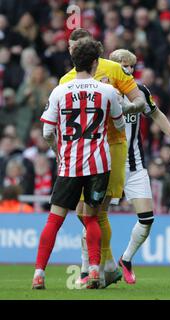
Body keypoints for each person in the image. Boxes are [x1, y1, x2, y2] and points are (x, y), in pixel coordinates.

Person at [32, 39, 125, 289]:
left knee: (54, 220)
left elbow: (47, 133)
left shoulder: (60, 90)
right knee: (92, 218)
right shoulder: (107, 92)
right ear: (95, 63)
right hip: (98, 164)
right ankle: (94, 271)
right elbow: (119, 125)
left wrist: (59, 151)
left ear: (74, 62)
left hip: (70, 165)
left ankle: (39, 274)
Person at [59, 28, 146, 288]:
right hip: (82, 151)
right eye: (70, 47)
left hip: (112, 147)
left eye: (77, 47)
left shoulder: (113, 69)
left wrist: (126, 107)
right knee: (82, 212)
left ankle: (93, 269)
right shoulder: (65, 80)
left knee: (97, 211)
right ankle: (104, 266)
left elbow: (139, 98)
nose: (73, 51)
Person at [104, 49, 170, 284]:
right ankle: (90, 269)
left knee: (147, 219)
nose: (129, 71)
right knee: (94, 218)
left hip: (134, 164)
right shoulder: (100, 91)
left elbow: (157, 114)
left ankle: (125, 259)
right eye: (124, 66)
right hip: (106, 166)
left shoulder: (138, 92)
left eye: (131, 67)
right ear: (112, 66)